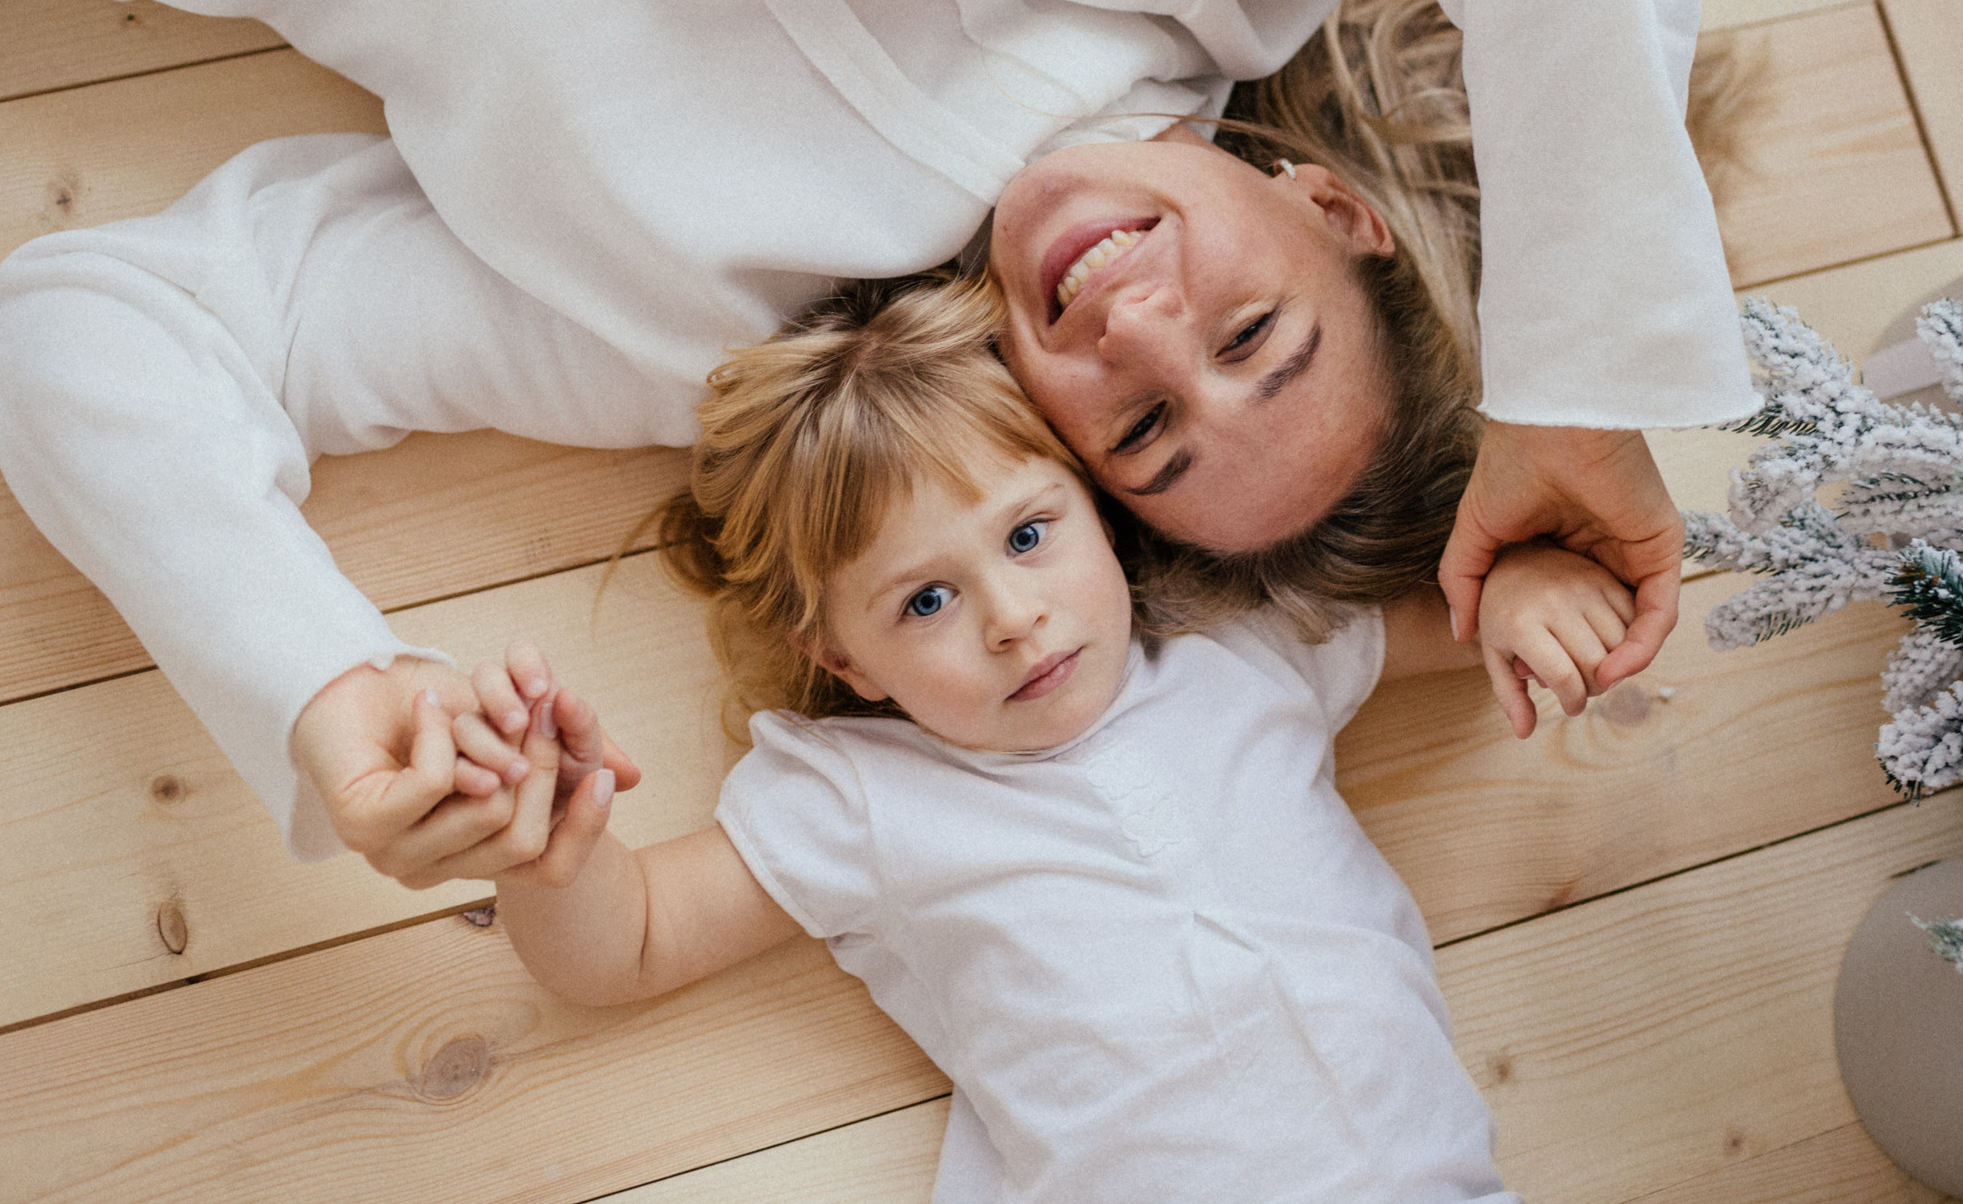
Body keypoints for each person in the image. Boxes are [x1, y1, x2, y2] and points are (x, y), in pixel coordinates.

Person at [0, 0, 1756, 877]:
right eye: (1251, 333)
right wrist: (1574, 393)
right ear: (1332, 209)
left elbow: (97, 321)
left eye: (1140, 431)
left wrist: (323, 686)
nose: (1136, 328)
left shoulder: (704, 339)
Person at [483, 277, 1637, 1202]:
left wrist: (1520, 585)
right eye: (924, 602)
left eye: (1030, 534)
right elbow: (627, 945)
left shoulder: (1245, 646)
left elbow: (1453, 617)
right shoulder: (861, 797)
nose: (1011, 617)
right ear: (844, 662)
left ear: (1098, 507)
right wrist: (544, 839)